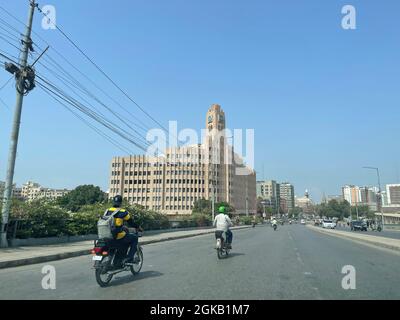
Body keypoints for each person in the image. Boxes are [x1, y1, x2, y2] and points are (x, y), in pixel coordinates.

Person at [104, 195, 142, 264]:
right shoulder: (123, 212)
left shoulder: (107, 211)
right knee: (134, 238)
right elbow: (131, 223)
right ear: (121, 203)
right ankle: (130, 258)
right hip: (118, 236)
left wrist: (122, 226)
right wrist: (138, 227)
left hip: (107, 235)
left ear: (113, 202)